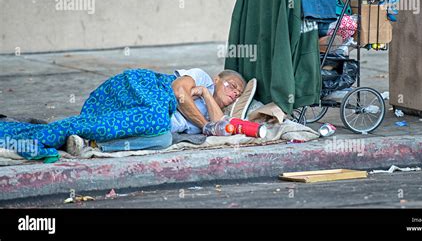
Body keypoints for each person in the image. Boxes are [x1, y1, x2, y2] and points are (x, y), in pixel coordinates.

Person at [0, 68, 245, 160]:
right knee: (157, 120)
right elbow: (179, 93)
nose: (234, 92)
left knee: (163, 139)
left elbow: (216, 124)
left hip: (147, 122)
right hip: (143, 89)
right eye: (231, 85)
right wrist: (204, 118)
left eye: (238, 92)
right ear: (216, 78)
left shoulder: (211, 101)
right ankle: (55, 132)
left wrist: (209, 101)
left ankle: (91, 144)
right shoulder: (201, 77)